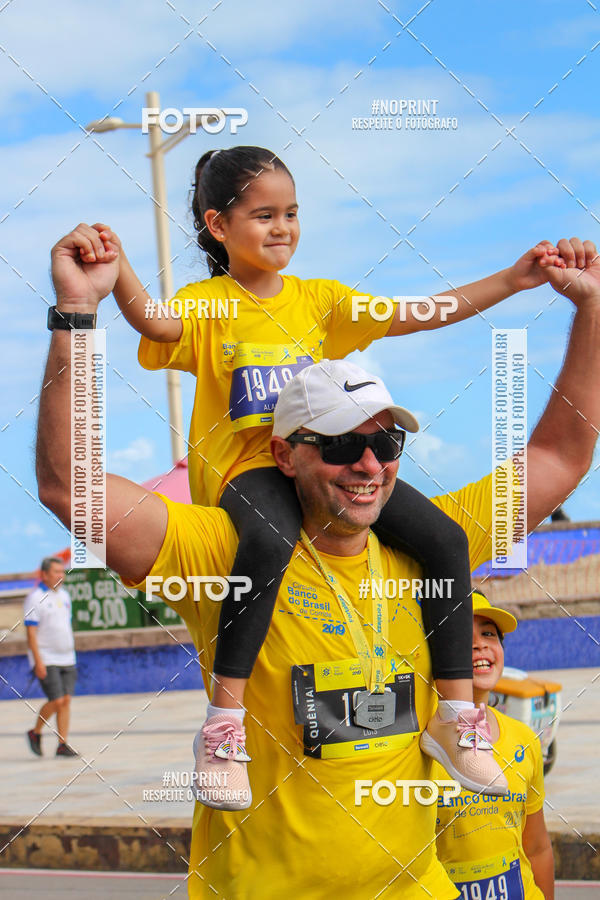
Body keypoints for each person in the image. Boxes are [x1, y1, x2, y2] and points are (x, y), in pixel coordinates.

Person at [37, 230, 600, 898]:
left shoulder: (431, 544)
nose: (368, 465)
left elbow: (561, 457)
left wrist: (591, 311)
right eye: (337, 444)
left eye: (386, 441)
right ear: (284, 455)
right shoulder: (223, 551)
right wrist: (76, 314)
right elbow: (69, 487)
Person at [73, 145, 565, 804]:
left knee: (446, 539)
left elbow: (418, 312)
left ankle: (455, 720)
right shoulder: (210, 304)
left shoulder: (321, 302)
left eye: (292, 214)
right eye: (264, 215)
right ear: (218, 225)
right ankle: (224, 725)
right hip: (252, 473)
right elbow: (152, 321)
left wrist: (513, 279)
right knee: (270, 543)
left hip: (326, 465)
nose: (282, 228)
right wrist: (121, 271)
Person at [435, 590, 555, 899]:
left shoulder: (524, 739)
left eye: (489, 633)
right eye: (462, 633)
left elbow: (537, 847)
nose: (479, 644)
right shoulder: (421, 742)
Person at [24, 556, 78, 757]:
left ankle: (62, 743)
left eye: (62, 572)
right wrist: (38, 661)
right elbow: (31, 633)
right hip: (46, 657)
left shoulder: (64, 596)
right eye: (56, 572)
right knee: (56, 700)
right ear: (44, 575)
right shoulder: (35, 598)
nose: (60, 576)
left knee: (65, 701)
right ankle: (35, 731)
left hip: (67, 657)